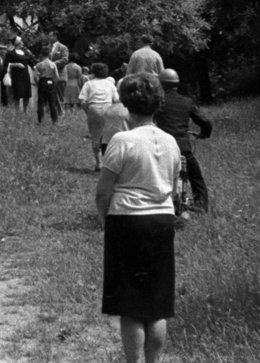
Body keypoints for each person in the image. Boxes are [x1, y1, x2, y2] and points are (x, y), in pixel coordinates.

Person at [96, 73, 181, 363]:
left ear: (125, 103)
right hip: (162, 221)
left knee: (131, 304)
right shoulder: (171, 142)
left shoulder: (122, 140)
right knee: (157, 304)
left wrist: (105, 221)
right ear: (158, 103)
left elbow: (102, 192)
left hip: (128, 220)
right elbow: (173, 185)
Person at [154, 69, 213, 212]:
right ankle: (201, 206)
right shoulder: (186, 102)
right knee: (196, 177)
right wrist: (204, 134)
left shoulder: (157, 102)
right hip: (183, 147)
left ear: (161, 84)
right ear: (177, 84)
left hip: (162, 147)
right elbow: (206, 122)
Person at [79, 61, 122, 166]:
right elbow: (116, 100)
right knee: (108, 136)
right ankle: (109, 161)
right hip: (108, 108)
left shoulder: (88, 84)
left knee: (95, 137)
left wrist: (88, 112)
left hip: (94, 108)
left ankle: (98, 163)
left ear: (93, 72)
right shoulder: (110, 84)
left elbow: (83, 101)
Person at [5, 37, 32, 115]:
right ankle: (17, 111)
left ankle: (25, 110)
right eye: (21, 41)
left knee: (26, 94)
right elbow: (6, 64)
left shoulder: (25, 52)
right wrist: (16, 64)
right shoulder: (11, 53)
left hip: (25, 75)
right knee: (17, 94)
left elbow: (30, 61)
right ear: (18, 43)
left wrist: (35, 67)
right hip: (16, 76)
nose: (23, 43)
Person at [35, 53, 61, 125]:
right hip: (50, 81)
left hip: (42, 81)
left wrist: (38, 84)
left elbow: (35, 76)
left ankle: (40, 120)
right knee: (52, 103)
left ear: (41, 55)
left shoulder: (39, 64)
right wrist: (53, 84)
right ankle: (54, 121)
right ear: (49, 55)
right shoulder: (52, 64)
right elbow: (57, 77)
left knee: (41, 102)